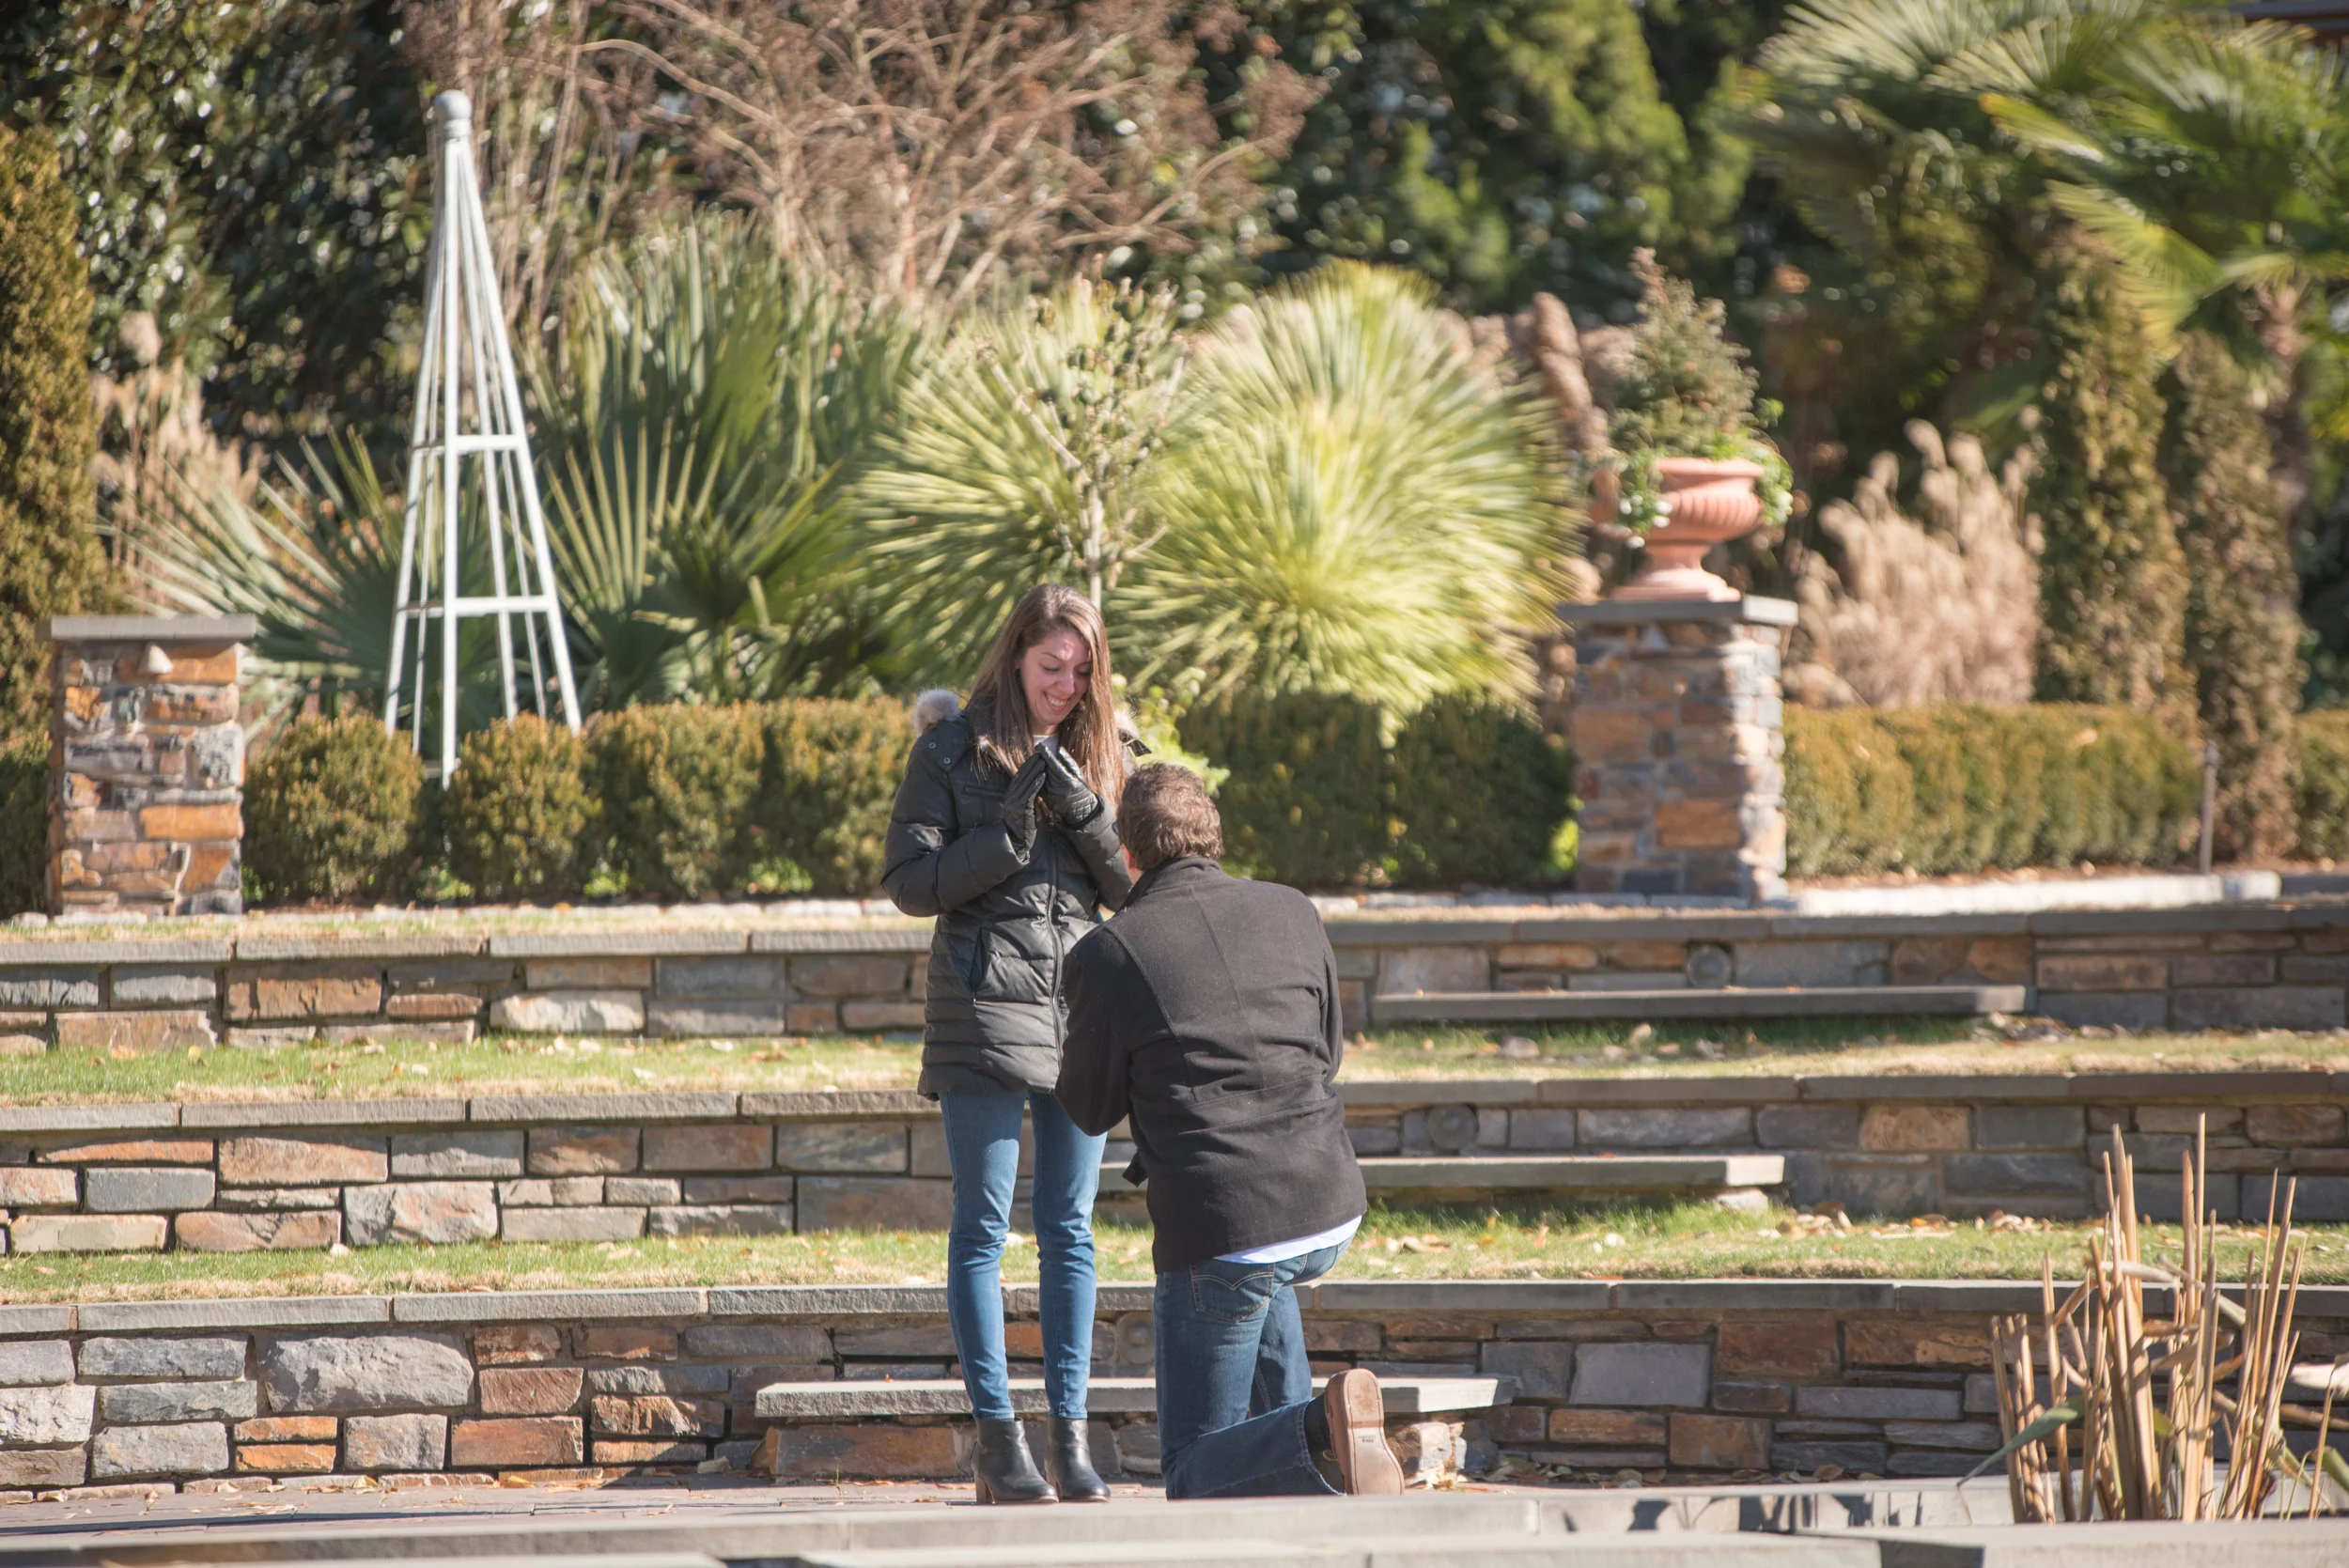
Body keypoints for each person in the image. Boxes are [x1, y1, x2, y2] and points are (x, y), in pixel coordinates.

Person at [1057, 763, 1404, 1499]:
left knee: (1191, 1467)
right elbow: (1329, 1051)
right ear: (1212, 833)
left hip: (1224, 1222)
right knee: (1263, 1283)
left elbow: (1086, 1108)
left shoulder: (1109, 952)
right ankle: (1330, 1451)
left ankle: (1320, 1429)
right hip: (1327, 1201)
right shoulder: (1293, 909)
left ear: (1128, 852)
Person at [882, 584, 1136, 1505]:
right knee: (983, 1226)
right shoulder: (949, 748)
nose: (1064, 685)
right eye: (1049, 667)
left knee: (1070, 1228)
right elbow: (910, 882)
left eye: (1081, 670)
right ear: (1014, 655)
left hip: (1076, 1008)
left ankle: (1069, 1436)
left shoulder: (1105, 748)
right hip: (983, 1004)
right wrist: (1004, 836)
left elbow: (1134, 889)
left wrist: (1089, 814)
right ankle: (999, 1440)